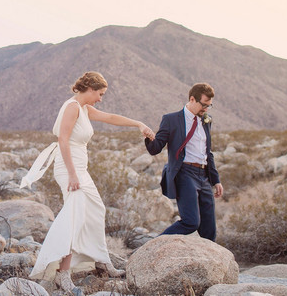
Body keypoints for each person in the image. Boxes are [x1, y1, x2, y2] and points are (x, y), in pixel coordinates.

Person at [20, 71, 154, 292]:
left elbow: (110, 118)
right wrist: (72, 175)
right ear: (90, 89)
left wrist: (138, 124)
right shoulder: (72, 107)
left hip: (81, 169)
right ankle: (62, 274)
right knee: (74, 218)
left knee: (96, 209)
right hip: (69, 169)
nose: (100, 99)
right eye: (99, 94)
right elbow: (62, 140)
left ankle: (101, 260)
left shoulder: (83, 108)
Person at [145, 82, 223, 240]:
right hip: (185, 174)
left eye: (209, 105)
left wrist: (216, 180)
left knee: (209, 229)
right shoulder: (171, 119)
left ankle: (208, 262)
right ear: (192, 99)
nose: (206, 109)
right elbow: (155, 148)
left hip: (204, 176)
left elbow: (208, 152)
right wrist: (149, 137)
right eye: (204, 104)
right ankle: (152, 247)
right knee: (191, 222)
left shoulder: (206, 120)